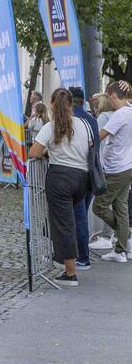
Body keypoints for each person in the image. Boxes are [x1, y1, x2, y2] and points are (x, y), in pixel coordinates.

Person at [29, 89, 92, 286]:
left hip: (60, 178)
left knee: (64, 225)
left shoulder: (51, 126)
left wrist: (50, 151)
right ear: (72, 104)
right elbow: (90, 146)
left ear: (52, 104)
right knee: (67, 220)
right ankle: (62, 257)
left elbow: (34, 151)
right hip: (82, 177)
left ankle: (70, 272)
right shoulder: (83, 124)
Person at [94, 81, 132, 263]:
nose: (109, 100)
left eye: (109, 97)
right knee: (121, 208)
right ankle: (122, 249)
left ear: (113, 96)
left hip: (116, 168)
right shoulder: (130, 110)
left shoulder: (120, 115)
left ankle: (124, 238)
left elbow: (99, 137)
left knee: (99, 206)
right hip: (127, 165)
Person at [69, 88, 98, 270]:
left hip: (77, 173)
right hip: (91, 174)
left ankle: (82, 256)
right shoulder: (92, 120)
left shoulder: (73, 120)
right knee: (81, 215)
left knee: (78, 216)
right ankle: (80, 253)